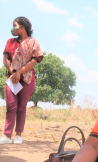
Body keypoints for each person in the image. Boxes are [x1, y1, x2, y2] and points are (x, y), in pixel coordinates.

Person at [0, 17, 44, 145]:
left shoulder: (33, 42)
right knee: (11, 106)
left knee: (21, 107)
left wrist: (19, 72)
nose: (13, 28)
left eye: (15, 25)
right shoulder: (10, 42)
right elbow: (5, 59)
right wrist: (13, 72)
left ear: (23, 26)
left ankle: (18, 135)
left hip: (27, 79)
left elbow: (34, 60)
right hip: (11, 79)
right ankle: (7, 136)